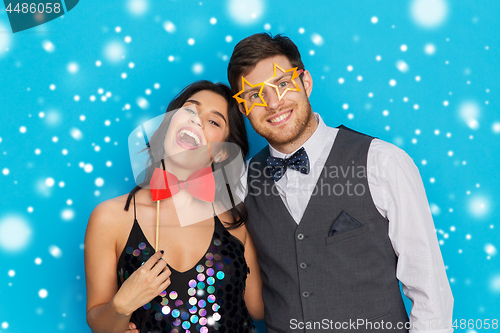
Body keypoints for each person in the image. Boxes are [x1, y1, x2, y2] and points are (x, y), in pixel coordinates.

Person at [227, 33, 454, 332]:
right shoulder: (240, 182)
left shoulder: (382, 161)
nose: (274, 103)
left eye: (283, 84)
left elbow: (429, 289)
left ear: (305, 82)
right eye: (256, 95)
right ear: (243, 108)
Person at [85, 80, 264, 333]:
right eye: (189, 111)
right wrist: (120, 307)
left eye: (213, 121)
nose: (196, 121)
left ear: (222, 153)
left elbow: (262, 308)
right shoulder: (110, 218)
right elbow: (99, 324)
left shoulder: (234, 223)